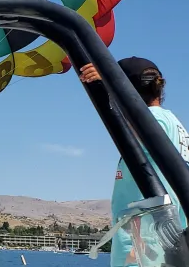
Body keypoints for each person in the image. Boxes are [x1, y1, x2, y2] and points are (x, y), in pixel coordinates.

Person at [80, 57, 189, 267]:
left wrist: (107, 85)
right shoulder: (172, 122)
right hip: (164, 243)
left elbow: (123, 120)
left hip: (144, 246)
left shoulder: (152, 120)